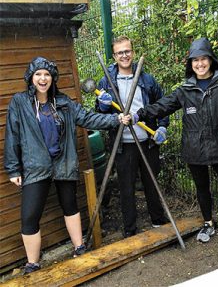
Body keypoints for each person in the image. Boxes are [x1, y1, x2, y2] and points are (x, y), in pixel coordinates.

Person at [4, 57, 130, 274]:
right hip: (36, 166)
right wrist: (14, 168)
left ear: (53, 78)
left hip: (62, 162)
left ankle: (79, 246)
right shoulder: (20, 102)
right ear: (31, 78)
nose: (43, 79)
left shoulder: (64, 103)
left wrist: (116, 119)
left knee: (70, 205)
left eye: (47, 75)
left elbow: (89, 118)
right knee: (29, 216)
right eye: (38, 74)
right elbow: (12, 134)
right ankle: (32, 263)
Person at [134, 37, 218, 252]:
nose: (200, 64)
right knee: (202, 188)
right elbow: (163, 106)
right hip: (194, 147)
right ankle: (208, 224)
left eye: (203, 59)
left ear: (211, 60)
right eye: (195, 60)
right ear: (190, 64)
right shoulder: (185, 89)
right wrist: (138, 114)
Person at [96, 36, 170, 238]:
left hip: (147, 141)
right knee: (126, 189)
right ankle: (130, 229)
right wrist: (103, 105)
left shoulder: (146, 79)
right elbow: (101, 116)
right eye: (120, 52)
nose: (124, 55)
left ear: (133, 52)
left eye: (127, 51)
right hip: (123, 145)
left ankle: (158, 220)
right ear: (114, 56)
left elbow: (161, 106)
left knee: (151, 183)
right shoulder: (107, 82)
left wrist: (162, 127)